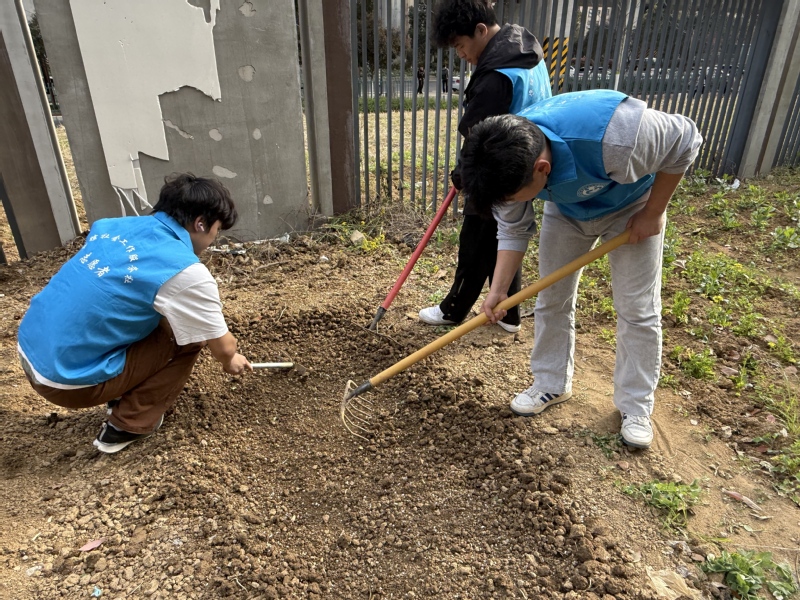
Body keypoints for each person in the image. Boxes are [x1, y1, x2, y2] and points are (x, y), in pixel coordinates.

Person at [459, 90, 703, 448]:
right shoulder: (505, 166)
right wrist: (498, 290)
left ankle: (635, 406)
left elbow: (686, 138)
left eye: (514, 197)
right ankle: (551, 383)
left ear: (542, 169)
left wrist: (653, 212)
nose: (510, 204)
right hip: (568, 211)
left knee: (637, 308)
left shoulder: (617, 136)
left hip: (631, 207)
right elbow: (512, 229)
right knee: (551, 298)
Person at [17, 173, 253, 453]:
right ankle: (128, 424)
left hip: (30, 347)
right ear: (200, 223)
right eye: (216, 230)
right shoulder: (184, 271)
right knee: (189, 337)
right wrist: (231, 360)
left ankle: (120, 387)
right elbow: (223, 347)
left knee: (159, 314)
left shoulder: (111, 227)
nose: (213, 239)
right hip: (64, 379)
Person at [418, 0, 551, 333]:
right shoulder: (526, 50)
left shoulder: (495, 77)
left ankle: (453, 309)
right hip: (527, 163)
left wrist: (464, 173)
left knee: (476, 239)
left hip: (498, 167)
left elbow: (479, 135)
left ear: (480, 30)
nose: (461, 54)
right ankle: (509, 313)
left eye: (460, 45)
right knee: (507, 235)